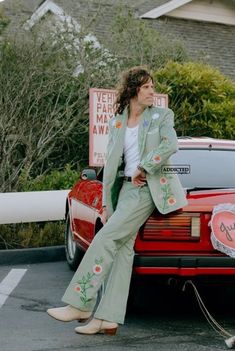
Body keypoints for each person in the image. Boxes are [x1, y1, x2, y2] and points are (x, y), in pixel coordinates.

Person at [47, 66, 188, 335]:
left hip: (147, 189)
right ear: (133, 89)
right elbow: (110, 166)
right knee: (123, 251)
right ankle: (106, 319)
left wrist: (145, 166)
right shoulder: (117, 122)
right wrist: (107, 205)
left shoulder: (161, 115)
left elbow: (170, 145)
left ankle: (80, 302)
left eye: (152, 86)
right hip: (122, 191)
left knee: (105, 239)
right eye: (146, 87)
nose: (152, 91)